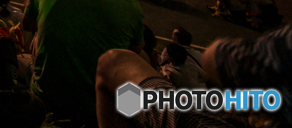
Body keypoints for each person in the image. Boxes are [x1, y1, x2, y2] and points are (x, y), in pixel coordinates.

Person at [22, 0, 144, 126]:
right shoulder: (131, 8)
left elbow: (28, 25)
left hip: (45, 102)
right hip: (94, 111)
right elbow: (134, 51)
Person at [95, 24, 292, 128]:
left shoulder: (170, 68)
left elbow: (217, 59)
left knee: (114, 62)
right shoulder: (194, 57)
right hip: (210, 98)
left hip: (198, 103)